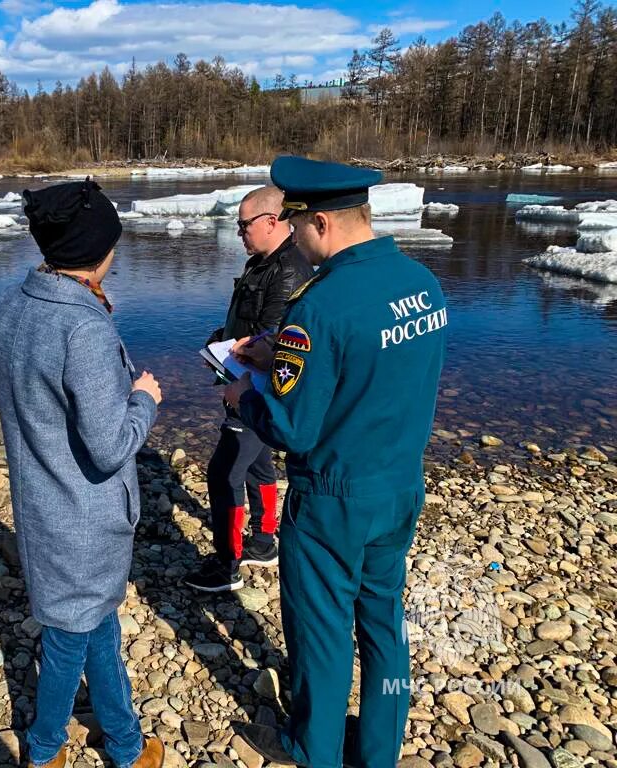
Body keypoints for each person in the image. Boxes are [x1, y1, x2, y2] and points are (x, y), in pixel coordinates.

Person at [224, 156, 447, 768]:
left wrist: (247, 393)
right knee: (383, 620)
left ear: (320, 221)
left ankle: (315, 747)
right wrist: (289, 359)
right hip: (401, 483)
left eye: (297, 226)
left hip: (333, 496)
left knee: (321, 631)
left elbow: (293, 429)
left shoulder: (317, 308)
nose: (294, 238)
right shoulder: (422, 283)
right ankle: (380, 750)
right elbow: (379, 373)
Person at [0, 179, 165, 768]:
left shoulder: (11, 303)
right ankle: (45, 747)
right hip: (84, 518)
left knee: (94, 622)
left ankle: (127, 745)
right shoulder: (85, 327)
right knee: (68, 639)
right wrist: (144, 399)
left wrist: (40, 419)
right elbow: (110, 449)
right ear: (99, 250)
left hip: (40, 507)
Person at [184, 186, 313, 593]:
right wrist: (223, 336)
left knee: (223, 474)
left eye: (244, 225)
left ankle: (227, 565)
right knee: (258, 466)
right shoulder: (264, 262)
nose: (239, 232)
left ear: (271, 222)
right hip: (241, 380)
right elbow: (251, 323)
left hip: (256, 389)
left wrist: (239, 349)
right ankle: (262, 541)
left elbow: (273, 340)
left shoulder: (289, 269)